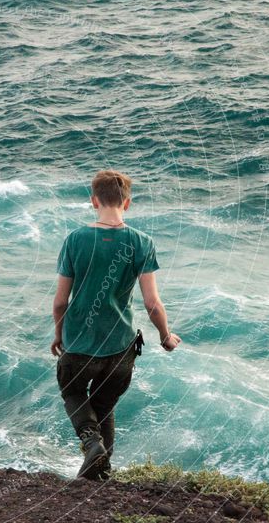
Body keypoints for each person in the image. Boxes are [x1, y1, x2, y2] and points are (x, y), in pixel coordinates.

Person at [51, 170, 181, 480]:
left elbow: (60, 302)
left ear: (93, 201)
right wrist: (166, 336)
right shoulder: (142, 242)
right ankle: (100, 471)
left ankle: (91, 442)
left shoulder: (75, 240)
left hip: (80, 345)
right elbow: (152, 303)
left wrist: (58, 333)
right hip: (123, 347)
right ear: (128, 203)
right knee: (105, 405)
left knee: (72, 392)